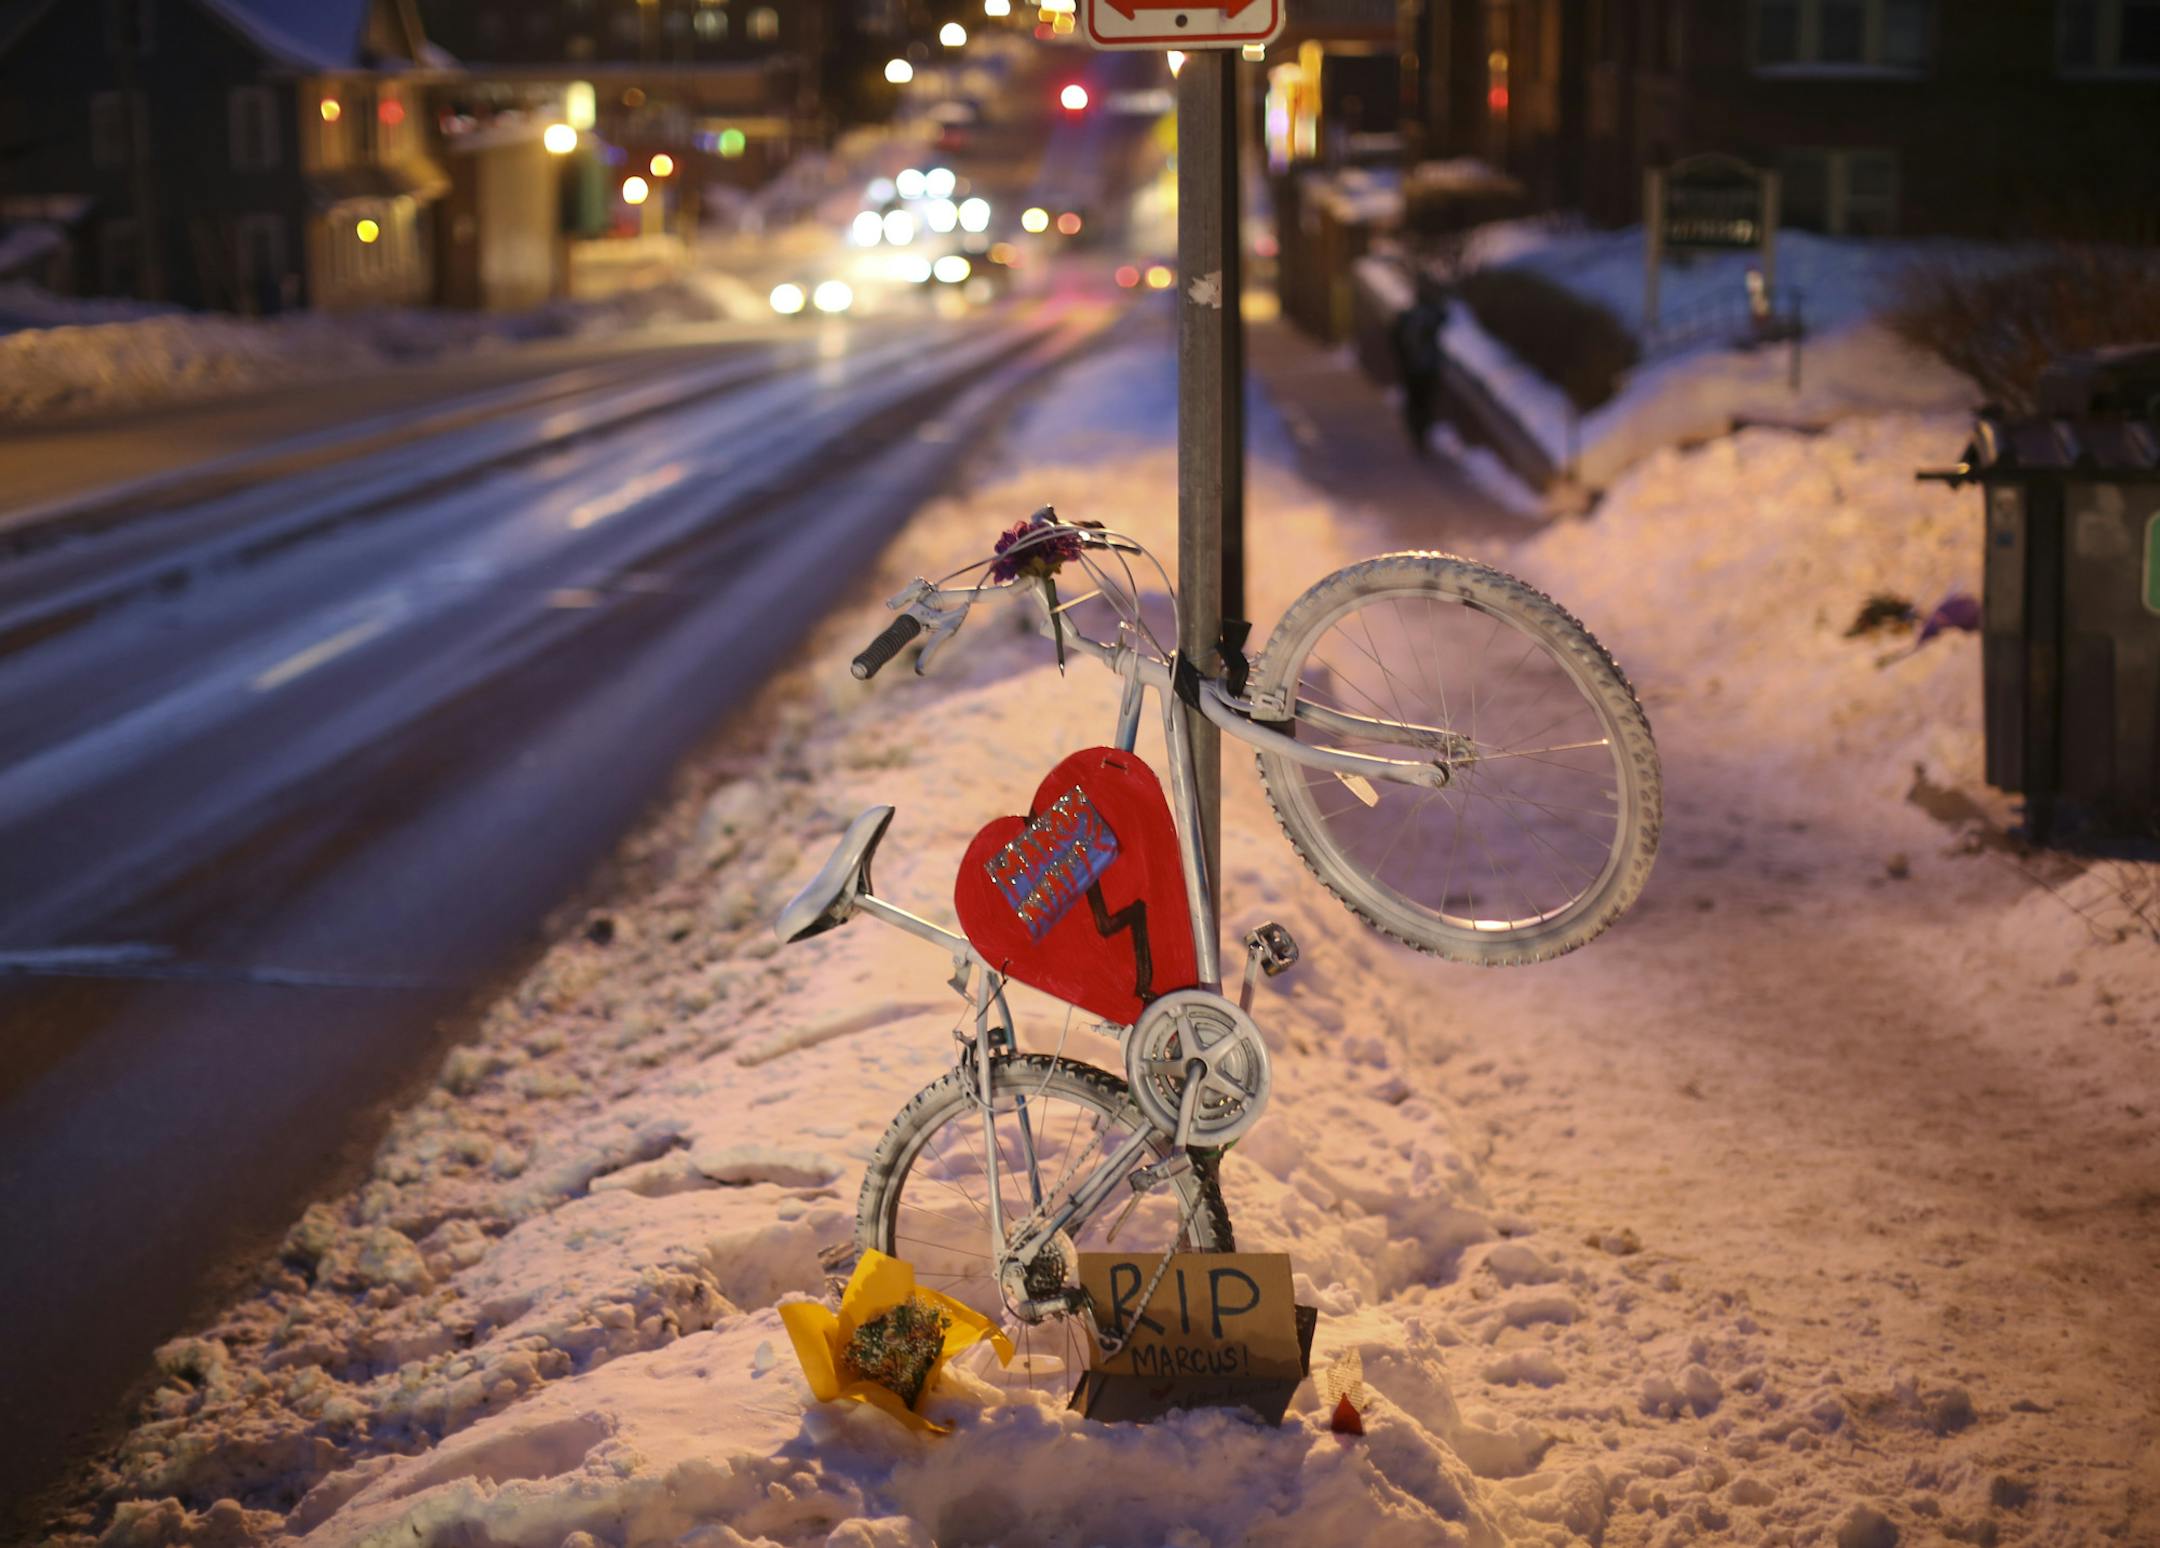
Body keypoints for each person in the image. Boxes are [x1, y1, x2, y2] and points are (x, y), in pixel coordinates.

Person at [1391, 274, 1450, 458]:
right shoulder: (1432, 316)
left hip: (1412, 367)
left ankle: (1416, 431)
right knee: (1425, 401)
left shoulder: (1408, 317)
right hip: (1428, 367)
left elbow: (1395, 338)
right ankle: (1422, 432)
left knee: (1414, 401)